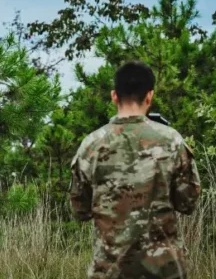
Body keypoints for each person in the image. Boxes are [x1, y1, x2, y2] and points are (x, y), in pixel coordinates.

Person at [70, 60, 201, 279]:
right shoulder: (171, 141)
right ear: (149, 95)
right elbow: (188, 203)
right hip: (164, 269)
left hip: (110, 270)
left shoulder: (91, 145)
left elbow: (79, 210)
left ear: (114, 96)